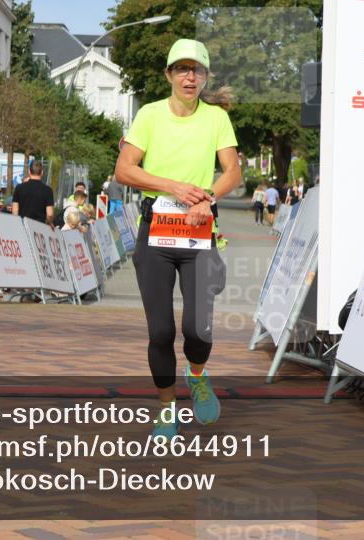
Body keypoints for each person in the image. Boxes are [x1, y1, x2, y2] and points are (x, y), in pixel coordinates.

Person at [114, 38, 240, 439]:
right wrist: (174, 188)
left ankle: (198, 375)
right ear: (169, 75)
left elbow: (233, 172)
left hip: (200, 231)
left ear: (205, 77)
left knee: (199, 329)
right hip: (157, 231)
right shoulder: (149, 116)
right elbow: (124, 169)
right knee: (161, 331)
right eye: (182, 69)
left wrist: (208, 197)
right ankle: (168, 408)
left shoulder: (216, 118)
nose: (190, 76)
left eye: (197, 70)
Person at [12, 160, 55, 225]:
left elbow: (15, 211)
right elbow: (50, 214)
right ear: (42, 172)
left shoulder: (19, 188)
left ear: (29, 172)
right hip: (39, 227)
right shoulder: (48, 190)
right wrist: (50, 223)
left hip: (23, 225)